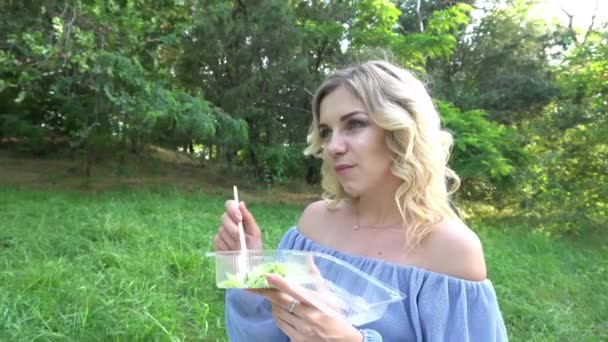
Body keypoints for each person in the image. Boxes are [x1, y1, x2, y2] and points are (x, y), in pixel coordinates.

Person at [213, 60, 508, 341]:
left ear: (402, 131)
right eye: (326, 132)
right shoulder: (313, 224)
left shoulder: (451, 250)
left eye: (354, 124)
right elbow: (267, 334)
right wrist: (247, 268)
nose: (333, 147)